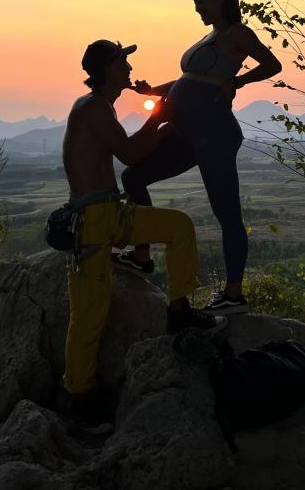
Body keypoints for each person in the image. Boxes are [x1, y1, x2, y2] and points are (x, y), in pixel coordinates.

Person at [60, 39, 226, 420]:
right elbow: (131, 154)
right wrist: (160, 120)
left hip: (110, 213)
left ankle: (179, 308)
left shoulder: (98, 107)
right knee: (89, 313)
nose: (130, 69)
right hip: (93, 221)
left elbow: (130, 148)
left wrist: (162, 126)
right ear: (107, 68)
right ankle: (79, 396)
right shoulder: (93, 108)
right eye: (123, 62)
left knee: (179, 227)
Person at [123, 0, 282, 314]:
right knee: (133, 176)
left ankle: (234, 295)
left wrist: (236, 82)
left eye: (201, 1)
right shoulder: (209, 37)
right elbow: (189, 81)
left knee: (227, 214)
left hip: (214, 133)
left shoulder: (236, 34)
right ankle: (142, 254)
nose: (196, 7)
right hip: (186, 132)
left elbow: (273, 65)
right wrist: (154, 90)